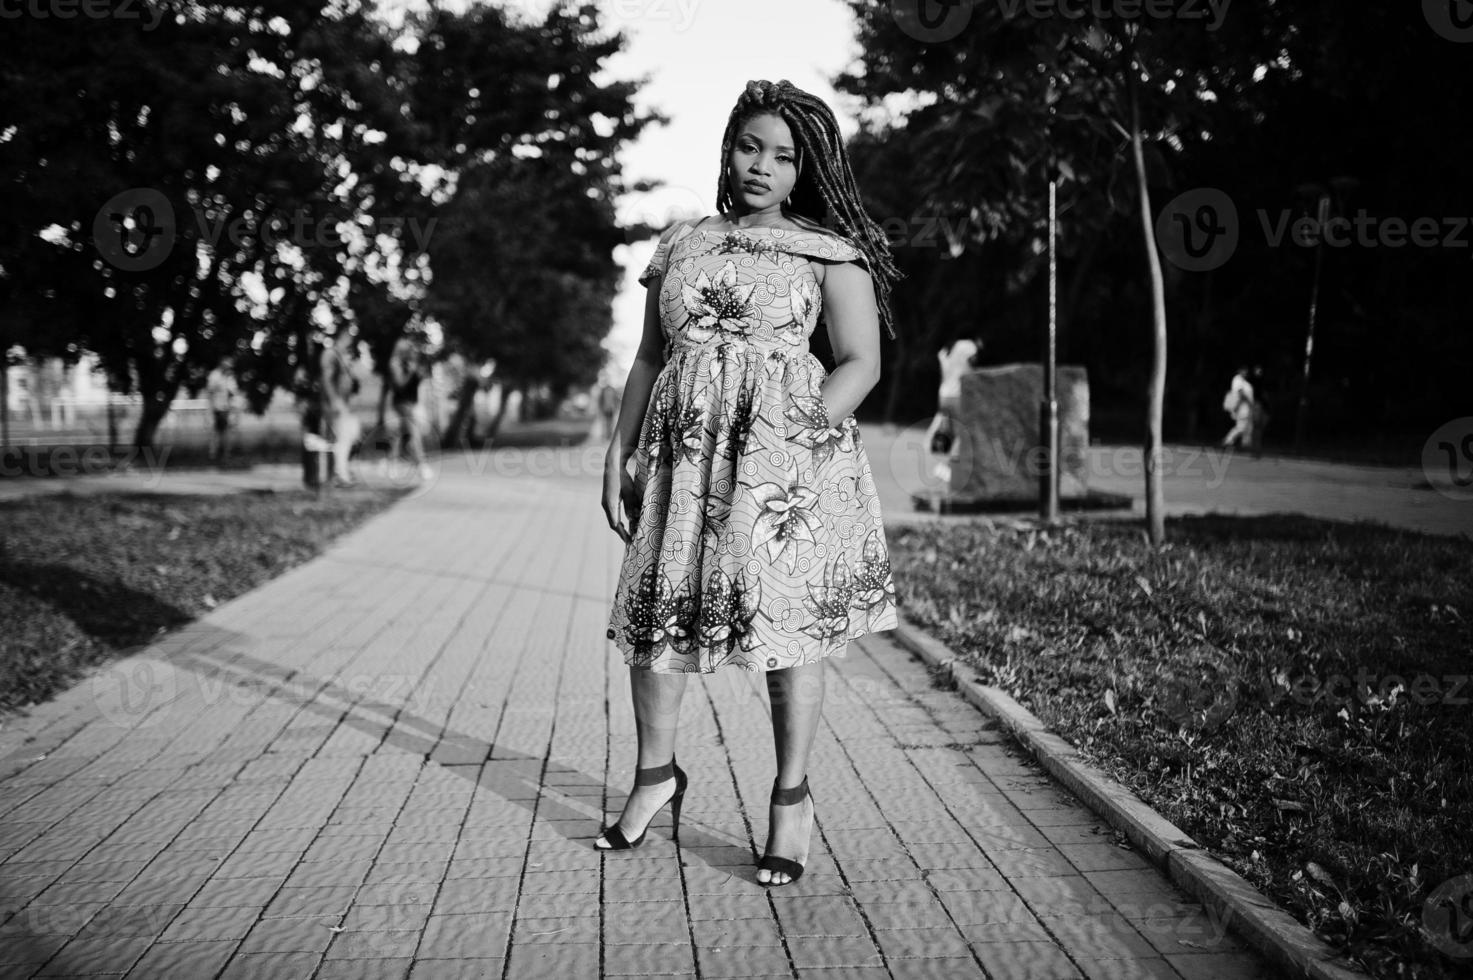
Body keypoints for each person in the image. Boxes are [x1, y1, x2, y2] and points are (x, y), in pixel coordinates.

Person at [600, 79, 902, 886]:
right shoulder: (682, 245)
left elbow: (861, 363)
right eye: (748, 146)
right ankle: (654, 776)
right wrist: (616, 450)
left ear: (807, 168)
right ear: (727, 148)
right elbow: (649, 357)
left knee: (785, 627)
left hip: (782, 471)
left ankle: (790, 799)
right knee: (655, 611)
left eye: (783, 154)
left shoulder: (826, 251)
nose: (761, 165)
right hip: (682, 460)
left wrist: (797, 437)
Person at [925, 336, 980, 483]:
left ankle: (947, 467)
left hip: (944, 395)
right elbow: (971, 367)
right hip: (956, 395)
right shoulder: (969, 346)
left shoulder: (946, 354)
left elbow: (944, 372)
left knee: (955, 434)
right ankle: (947, 468)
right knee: (962, 435)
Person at [387, 333, 433, 482]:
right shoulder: (395, 363)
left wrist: (418, 373)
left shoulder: (412, 363)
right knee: (414, 432)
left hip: (412, 403)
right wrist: (412, 373)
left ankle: (392, 465)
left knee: (401, 436)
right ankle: (422, 466)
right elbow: (400, 385)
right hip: (401, 403)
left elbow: (419, 383)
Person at [320, 326, 361, 487]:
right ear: (342, 336)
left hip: (343, 403)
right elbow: (326, 379)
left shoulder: (342, 356)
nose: (350, 342)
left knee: (351, 436)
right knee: (342, 438)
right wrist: (334, 401)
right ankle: (340, 474)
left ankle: (342, 471)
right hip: (336, 403)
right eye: (349, 338)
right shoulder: (330, 354)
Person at [205, 358, 240, 464]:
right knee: (216, 433)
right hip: (215, 408)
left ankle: (225, 455)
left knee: (226, 432)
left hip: (226, 408)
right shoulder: (214, 376)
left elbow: (233, 391)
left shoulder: (229, 377)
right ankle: (214, 455)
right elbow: (210, 391)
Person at [1221, 365, 1256, 449]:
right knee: (1241, 427)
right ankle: (1227, 440)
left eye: (1246, 371)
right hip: (1241, 406)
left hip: (1248, 407)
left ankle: (1246, 445)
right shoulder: (1237, 379)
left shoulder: (1246, 383)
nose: (1245, 372)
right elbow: (1240, 393)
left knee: (1249, 427)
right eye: (1243, 370)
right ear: (1239, 371)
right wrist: (1237, 406)